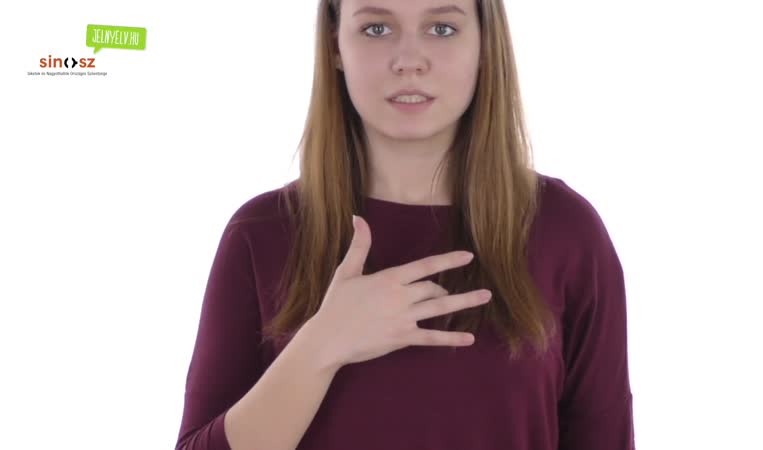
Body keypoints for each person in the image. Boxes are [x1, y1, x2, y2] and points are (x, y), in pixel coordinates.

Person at [175, 1, 635, 449]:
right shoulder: (261, 234)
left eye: (442, 28)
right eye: (377, 28)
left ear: (485, 44)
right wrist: (320, 347)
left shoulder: (565, 232)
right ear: (335, 45)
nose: (409, 60)